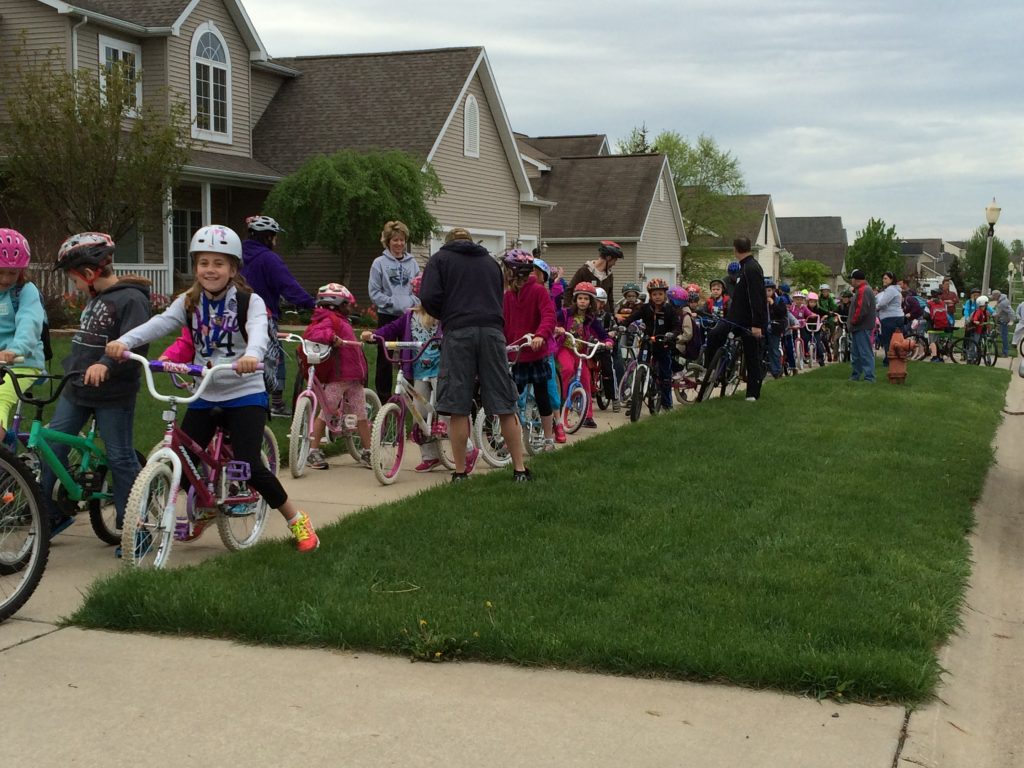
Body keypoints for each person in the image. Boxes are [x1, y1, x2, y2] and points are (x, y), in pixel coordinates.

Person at [106, 225, 320, 553]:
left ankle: (296, 519)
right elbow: (160, 323)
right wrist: (124, 341)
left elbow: (259, 332)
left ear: (233, 269)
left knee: (248, 464)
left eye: (219, 263)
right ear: (196, 267)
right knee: (182, 456)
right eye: (204, 262)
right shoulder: (190, 302)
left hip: (244, 391)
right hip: (204, 391)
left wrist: (251, 356)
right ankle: (182, 514)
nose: (210, 269)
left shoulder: (251, 302)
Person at [43, 232, 151, 540]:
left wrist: (106, 363)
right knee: (52, 446)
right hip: (77, 389)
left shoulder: (132, 299)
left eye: (73, 277)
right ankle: (50, 515)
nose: (72, 284)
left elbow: (136, 345)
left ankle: (133, 528)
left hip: (113, 394)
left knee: (119, 456)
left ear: (90, 274)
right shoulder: (96, 299)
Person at [418, 227, 531, 483]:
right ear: (471, 242)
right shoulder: (491, 263)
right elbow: (498, 297)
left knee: (458, 406)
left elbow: (427, 296)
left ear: (448, 243)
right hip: (492, 331)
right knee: (504, 402)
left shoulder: (440, 260)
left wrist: (445, 312)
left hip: (458, 332)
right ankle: (520, 470)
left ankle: (460, 473)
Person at [240, 215, 316, 417]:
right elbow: (288, 286)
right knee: (273, 359)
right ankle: (275, 404)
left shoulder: (236, 256)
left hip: (236, 316)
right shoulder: (269, 258)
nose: (275, 242)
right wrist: (312, 303)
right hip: (264, 316)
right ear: (268, 237)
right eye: (274, 237)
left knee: (242, 356)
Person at [303, 283, 372, 471]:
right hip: (339, 377)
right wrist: (331, 337)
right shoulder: (328, 319)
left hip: (352, 377)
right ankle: (313, 450)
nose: (350, 308)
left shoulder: (339, 319)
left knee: (361, 415)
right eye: (348, 304)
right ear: (338, 304)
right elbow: (315, 334)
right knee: (326, 413)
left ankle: (368, 451)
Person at [502, 250, 557, 449]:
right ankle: (511, 437)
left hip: (534, 352)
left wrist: (540, 335)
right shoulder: (507, 296)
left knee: (542, 395)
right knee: (511, 397)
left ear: (514, 272)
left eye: (506, 270)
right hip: (514, 354)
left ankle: (549, 437)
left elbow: (549, 316)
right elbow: (500, 321)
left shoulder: (539, 291)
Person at [701, 238, 768, 400]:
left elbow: (757, 297)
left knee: (752, 355)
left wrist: (757, 324)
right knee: (714, 334)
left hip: (750, 322)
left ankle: (752, 393)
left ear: (735, 249)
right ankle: (711, 371)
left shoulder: (752, 268)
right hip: (734, 318)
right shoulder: (742, 268)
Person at [0, 228, 45, 445]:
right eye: (0, 272)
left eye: (12, 272)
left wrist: (16, 349)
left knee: (0, 397)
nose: (6, 279)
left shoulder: (25, 291)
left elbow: (29, 321)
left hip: (22, 361)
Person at [368, 220, 420, 403]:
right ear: (388, 241)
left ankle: (409, 396)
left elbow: (418, 289)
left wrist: (409, 303)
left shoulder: (412, 263)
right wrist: (392, 303)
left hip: (408, 316)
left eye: (402, 240)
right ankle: (383, 398)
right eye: (395, 240)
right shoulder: (379, 263)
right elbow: (374, 292)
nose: (398, 244)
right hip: (387, 315)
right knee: (385, 358)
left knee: (409, 355)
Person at [556, 282, 613, 425]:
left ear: (591, 302)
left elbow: (602, 334)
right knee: (567, 369)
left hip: (580, 352)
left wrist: (608, 341)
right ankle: (559, 404)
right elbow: (551, 321)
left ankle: (587, 416)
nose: (583, 301)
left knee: (586, 380)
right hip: (565, 348)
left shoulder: (591, 319)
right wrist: (558, 328)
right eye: (580, 298)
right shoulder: (565, 313)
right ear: (575, 299)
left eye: (586, 299)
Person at [618, 278, 679, 410]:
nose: (657, 297)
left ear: (665, 295)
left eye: (660, 294)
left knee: (665, 375)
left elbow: (676, 326)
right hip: (647, 342)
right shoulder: (645, 308)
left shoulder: (670, 310)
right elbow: (632, 317)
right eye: (654, 294)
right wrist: (623, 325)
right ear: (650, 295)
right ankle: (635, 400)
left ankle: (667, 404)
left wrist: (672, 334)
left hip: (663, 344)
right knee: (640, 366)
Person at [564, 240, 621, 306]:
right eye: (614, 260)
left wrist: (612, 314)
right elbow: (569, 292)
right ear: (608, 258)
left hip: (604, 315)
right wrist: (568, 311)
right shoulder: (584, 271)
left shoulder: (609, 275)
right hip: (587, 314)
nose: (614, 264)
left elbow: (610, 298)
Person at [847, 268, 877, 381]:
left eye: (852, 279)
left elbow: (861, 309)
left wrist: (853, 322)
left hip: (862, 327)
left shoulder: (863, 290)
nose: (851, 281)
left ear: (856, 280)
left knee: (865, 352)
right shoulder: (862, 289)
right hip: (859, 327)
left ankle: (869, 377)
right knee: (856, 353)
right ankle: (855, 375)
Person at [875, 271, 903, 367]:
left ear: (891, 279)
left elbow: (883, 303)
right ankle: (897, 359)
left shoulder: (891, 289)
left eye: (886, 278)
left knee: (888, 340)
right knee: (897, 340)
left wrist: (876, 307)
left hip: (890, 317)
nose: (883, 280)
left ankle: (888, 360)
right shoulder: (896, 290)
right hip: (897, 316)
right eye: (883, 278)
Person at [764, 280, 788, 378]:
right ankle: (764, 368)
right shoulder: (760, 301)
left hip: (774, 328)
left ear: (773, 290)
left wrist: (773, 304)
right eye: (764, 291)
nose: (766, 293)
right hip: (763, 328)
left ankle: (776, 371)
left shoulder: (779, 300)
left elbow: (782, 313)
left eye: (769, 290)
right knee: (762, 348)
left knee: (774, 349)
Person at [926, 289, 954, 362]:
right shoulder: (943, 303)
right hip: (941, 325)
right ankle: (940, 357)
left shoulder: (929, 303)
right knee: (938, 341)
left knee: (932, 341)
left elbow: (926, 315)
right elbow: (946, 314)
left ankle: (934, 357)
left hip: (932, 325)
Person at [991, 289, 1014, 357]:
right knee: (994, 335)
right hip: (1000, 321)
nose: (993, 297)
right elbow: (998, 310)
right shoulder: (1001, 300)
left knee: (1004, 338)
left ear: (996, 296)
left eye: (993, 296)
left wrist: (1011, 321)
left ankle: (1005, 353)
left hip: (1004, 322)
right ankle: (991, 350)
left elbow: (1011, 312)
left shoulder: (1003, 303)